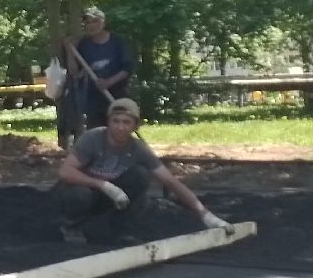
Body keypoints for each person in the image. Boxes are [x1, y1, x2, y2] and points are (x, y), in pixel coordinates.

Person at [58, 97, 230, 244]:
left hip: (110, 198)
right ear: (108, 122)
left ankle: (120, 229)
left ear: (135, 125)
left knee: (140, 176)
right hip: (79, 194)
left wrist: (205, 214)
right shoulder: (93, 138)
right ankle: (72, 228)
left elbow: (170, 181)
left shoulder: (138, 148)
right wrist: (104, 185)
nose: (120, 127)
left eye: (126, 122)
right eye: (116, 121)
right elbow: (65, 172)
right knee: (79, 193)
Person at [69, 6, 134, 131]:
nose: (91, 25)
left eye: (95, 21)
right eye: (88, 22)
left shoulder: (117, 41)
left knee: (118, 130)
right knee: (96, 132)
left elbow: (127, 68)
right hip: (94, 99)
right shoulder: (84, 44)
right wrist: (70, 51)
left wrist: (109, 82)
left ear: (103, 22)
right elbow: (75, 72)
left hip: (116, 94)